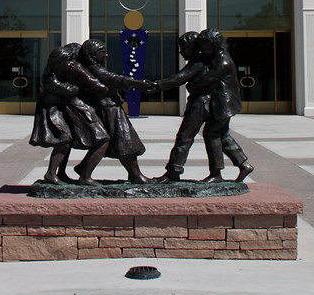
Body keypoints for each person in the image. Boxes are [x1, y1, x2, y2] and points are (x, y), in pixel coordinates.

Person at [152, 30, 253, 182]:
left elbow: (196, 81)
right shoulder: (208, 58)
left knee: (192, 136)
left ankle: (180, 172)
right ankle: (239, 165)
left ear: (213, 46)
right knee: (220, 136)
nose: (202, 50)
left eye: (204, 47)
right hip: (217, 104)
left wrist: (160, 85)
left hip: (221, 105)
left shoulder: (221, 62)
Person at [29, 43, 110, 186]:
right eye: (69, 61)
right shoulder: (51, 80)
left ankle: (60, 173)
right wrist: (78, 87)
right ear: (58, 63)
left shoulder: (61, 76)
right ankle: (53, 173)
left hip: (62, 111)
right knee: (65, 140)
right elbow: (68, 90)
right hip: (54, 114)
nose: (73, 64)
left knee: (67, 141)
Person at [77, 38, 155, 183]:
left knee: (117, 143)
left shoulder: (93, 68)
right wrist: (137, 83)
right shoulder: (94, 69)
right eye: (102, 52)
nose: (106, 55)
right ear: (92, 55)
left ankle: (85, 169)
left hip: (109, 108)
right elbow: (113, 79)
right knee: (126, 142)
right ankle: (135, 175)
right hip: (109, 110)